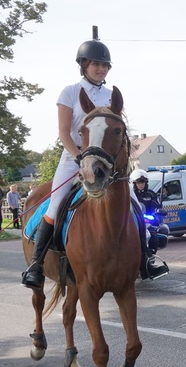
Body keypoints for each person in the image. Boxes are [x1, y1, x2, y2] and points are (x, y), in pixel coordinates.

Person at [22, 38, 168, 289]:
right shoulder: (69, 92)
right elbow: (65, 133)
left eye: (105, 66)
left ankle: (145, 259)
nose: (102, 69)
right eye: (96, 65)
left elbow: (117, 130)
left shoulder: (111, 95)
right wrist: (80, 158)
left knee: (134, 205)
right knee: (55, 205)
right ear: (84, 65)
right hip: (73, 159)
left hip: (108, 163)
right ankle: (36, 265)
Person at [130, 169, 169, 276]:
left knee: (153, 236)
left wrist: (157, 212)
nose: (141, 185)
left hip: (147, 222)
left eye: (142, 183)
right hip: (132, 223)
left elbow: (155, 206)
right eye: (138, 183)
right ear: (134, 183)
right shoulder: (130, 194)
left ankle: (150, 259)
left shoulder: (151, 194)